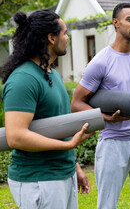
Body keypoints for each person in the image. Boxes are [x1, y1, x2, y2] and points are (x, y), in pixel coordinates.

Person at [71, 2, 130, 209]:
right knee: (107, 205)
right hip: (113, 143)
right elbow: (76, 103)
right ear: (116, 23)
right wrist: (105, 118)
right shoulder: (100, 61)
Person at [1, 10, 93, 209]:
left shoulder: (51, 74)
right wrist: (68, 146)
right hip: (38, 180)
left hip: (62, 173)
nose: (67, 38)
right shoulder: (23, 79)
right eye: (65, 33)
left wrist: (74, 165)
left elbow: (57, 126)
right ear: (51, 38)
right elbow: (15, 136)